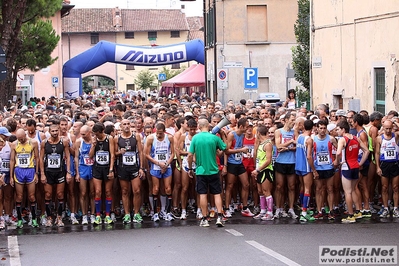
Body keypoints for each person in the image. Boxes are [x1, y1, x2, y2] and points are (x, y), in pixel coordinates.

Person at [187, 119, 226, 227]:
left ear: (199, 126)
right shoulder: (214, 138)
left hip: (201, 170)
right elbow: (223, 151)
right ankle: (219, 216)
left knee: (203, 194)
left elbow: (190, 155)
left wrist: (190, 168)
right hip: (213, 169)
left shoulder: (195, 138)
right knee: (217, 193)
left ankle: (204, 218)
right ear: (208, 126)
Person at [334, 120, 369, 223]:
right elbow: (366, 151)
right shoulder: (356, 138)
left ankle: (350, 214)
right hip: (355, 166)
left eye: (338, 129)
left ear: (343, 129)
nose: (337, 131)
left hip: (347, 166)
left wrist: (337, 161)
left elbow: (339, 152)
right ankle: (358, 211)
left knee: (347, 192)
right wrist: (360, 163)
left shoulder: (342, 139)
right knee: (354, 189)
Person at [39, 123, 72, 227]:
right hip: (48, 172)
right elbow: (40, 159)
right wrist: (42, 174)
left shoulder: (64, 142)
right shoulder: (44, 143)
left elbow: (67, 157)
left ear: (59, 131)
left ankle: (59, 217)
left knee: (60, 194)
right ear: (49, 132)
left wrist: (68, 172)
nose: (54, 133)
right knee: (48, 195)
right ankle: (49, 217)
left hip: (60, 171)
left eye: (56, 131)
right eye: (52, 131)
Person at [115, 119, 145, 224]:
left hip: (134, 167)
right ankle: (127, 214)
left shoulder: (136, 136)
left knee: (137, 190)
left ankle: (136, 213)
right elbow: (113, 153)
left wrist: (141, 167)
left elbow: (141, 152)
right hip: (122, 167)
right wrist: (120, 152)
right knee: (125, 191)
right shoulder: (117, 138)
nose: (127, 126)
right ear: (121, 126)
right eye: (124, 124)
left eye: (128, 124)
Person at [144, 123, 175, 222]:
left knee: (168, 188)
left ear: (164, 131)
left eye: (160, 133)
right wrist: (158, 163)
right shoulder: (150, 138)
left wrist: (166, 164)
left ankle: (167, 211)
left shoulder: (169, 138)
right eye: (157, 133)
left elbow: (173, 153)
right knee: (156, 188)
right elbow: (146, 154)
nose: (158, 135)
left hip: (167, 165)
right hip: (155, 166)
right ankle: (155, 212)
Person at [10, 129, 40, 228]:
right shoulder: (14, 144)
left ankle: (34, 218)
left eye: (21, 138)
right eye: (18, 139)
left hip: (30, 170)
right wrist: (11, 176)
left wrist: (36, 173)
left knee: (32, 196)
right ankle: (19, 219)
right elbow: (12, 160)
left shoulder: (33, 143)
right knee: (19, 196)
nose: (20, 140)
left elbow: (37, 158)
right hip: (19, 171)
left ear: (25, 135)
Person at [224, 117, 253, 217]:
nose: (247, 129)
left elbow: (241, 149)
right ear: (241, 126)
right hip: (231, 163)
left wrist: (245, 153)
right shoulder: (232, 134)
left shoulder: (243, 135)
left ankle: (244, 207)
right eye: (246, 127)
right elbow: (226, 151)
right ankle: (227, 208)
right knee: (230, 185)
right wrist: (241, 150)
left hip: (239, 162)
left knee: (246, 184)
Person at [90, 122, 115, 225]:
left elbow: (112, 155)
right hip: (97, 167)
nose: (96, 136)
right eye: (94, 134)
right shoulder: (94, 139)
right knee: (98, 191)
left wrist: (111, 170)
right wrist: (93, 145)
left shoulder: (109, 139)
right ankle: (98, 215)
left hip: (107, 167)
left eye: (97, 134)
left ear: (102, 132)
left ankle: (108, 215)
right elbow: (90, 156)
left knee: (108, 191)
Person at [274, 112, 297, 219]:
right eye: (292, 120)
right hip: (280, 161)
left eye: (294, 120)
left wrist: (286, 148)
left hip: (292, 161)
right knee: (279, 186)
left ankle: (291, 208)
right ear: (286, 120)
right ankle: (279, 208)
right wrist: (291, 142)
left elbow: (297, 146)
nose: (294, 122)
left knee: (292, 187)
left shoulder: (295, 132)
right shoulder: (278, 131)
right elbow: (278, 146)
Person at [313, 120, 337, 220]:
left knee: (330, 189)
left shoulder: (331, 139)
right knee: (319, 189)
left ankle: (331, 210)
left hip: (329, 167)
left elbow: (339, 150)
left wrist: (337, 161)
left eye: (324, 128)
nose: (322, 130)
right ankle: (319, 211)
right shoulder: (313, 139)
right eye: (320, 128)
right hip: (318, 167)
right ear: (317, 129)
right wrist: (313, 169)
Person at [375, 120, 399, 218]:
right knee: (384, 187)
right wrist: (377, 166)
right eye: (386, 128)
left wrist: (394, 122)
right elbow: (376, 153)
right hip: (384, 164)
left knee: (395, 187)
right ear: (383, 128)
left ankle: (395, 208)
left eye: (390, 128)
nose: (388, 130)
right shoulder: (379, 138)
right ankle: (385, 208)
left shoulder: (396, 136)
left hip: (395, 163)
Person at [251, 125, 274, 221]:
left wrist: (258, 169)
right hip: (259, 169)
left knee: (266, 191)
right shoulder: (260, 143)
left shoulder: (268, 144)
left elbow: (268, 160)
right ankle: (263, 210)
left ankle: (270, 212)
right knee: (260, 191)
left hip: (266, 170)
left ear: (258, 133)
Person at [75, 125, 95, 225]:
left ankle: (92, 214)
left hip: (93, 167)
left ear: (89, 132)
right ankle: (84, 215)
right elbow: (76, 157)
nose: (82, 136)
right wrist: (77, 173)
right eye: (81, 134)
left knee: (92, 193)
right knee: (83, 193)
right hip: (83, 168)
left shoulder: (94, 141)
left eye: (84, 134)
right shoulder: (79, 141)